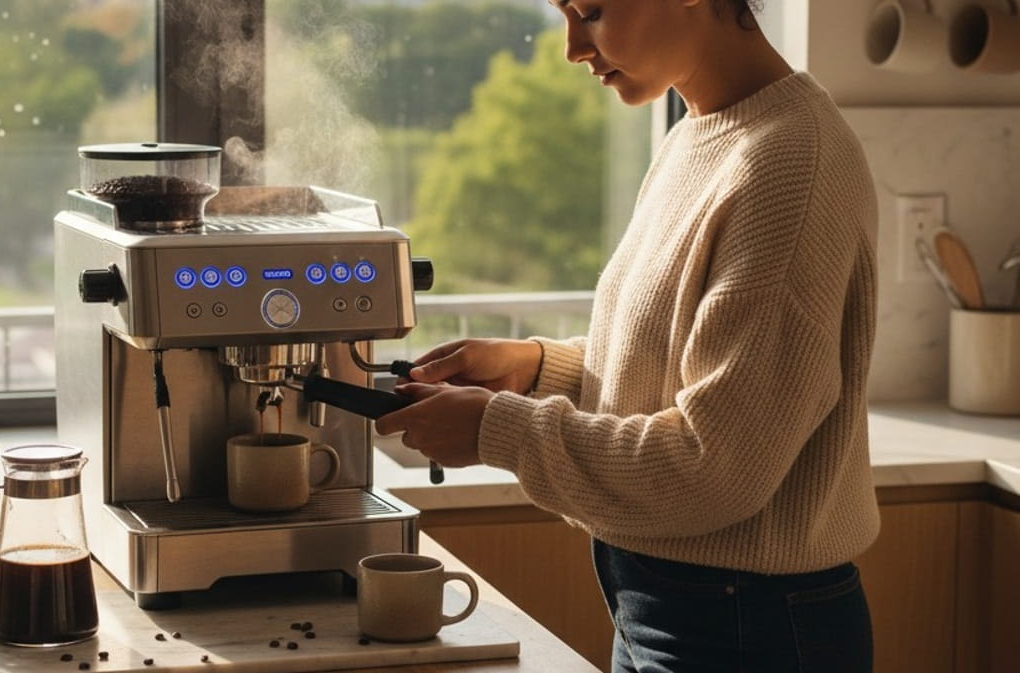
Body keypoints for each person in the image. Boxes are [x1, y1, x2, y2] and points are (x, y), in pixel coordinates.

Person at [374, 1, 879, 672]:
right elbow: (675, 367)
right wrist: (536, 369)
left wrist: (500, 429)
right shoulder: (696, 137)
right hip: (668, 606)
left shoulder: (792, 164)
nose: (573, 47)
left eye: (594, 11)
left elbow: (715, 466)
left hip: (749, 630)